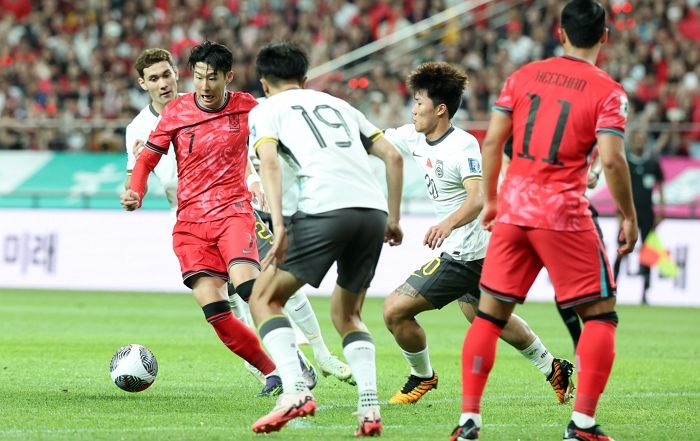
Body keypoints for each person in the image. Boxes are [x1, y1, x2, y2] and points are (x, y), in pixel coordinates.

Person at [452, 1, 638, 440]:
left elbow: (494, 141)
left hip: (514, 211)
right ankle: (583, 424)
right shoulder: (608, 91)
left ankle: (468, 421)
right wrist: (629, 215)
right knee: (599, 318)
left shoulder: (523, 77)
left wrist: (494, 200)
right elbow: (611, 160)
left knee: (489, 317)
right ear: (604, 37)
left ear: (560, 33)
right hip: (562, 215)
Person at [382, 62, 574, 406]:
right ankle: (552, 367)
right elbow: (375, 139)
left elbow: (479, 196)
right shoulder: (414, 137)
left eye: (419, 103)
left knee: (395, 310)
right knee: (483, 316)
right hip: (479, 249)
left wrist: (447, 224)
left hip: (466, 252)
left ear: (440, 109)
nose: (413, 110)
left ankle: (422, 377)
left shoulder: (463, 146)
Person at [247, 41, 404, 436]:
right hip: (371, 212)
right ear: (304, 79)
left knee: (264, 299)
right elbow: (393, 156)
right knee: (347, 314)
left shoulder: (266, 110)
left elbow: (268, 161)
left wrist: (279, 225)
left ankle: (296, 391)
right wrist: (394, 218)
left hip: (324, 210)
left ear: (264, 83)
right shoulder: (338, 104)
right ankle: (369, 407)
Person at [119, 41, 287, 398]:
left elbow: (273, 145)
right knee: (214, 307)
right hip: (191, 224)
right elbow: (146, 160)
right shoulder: (176, 113)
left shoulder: (248, 108)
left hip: (232, 213)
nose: (205, 86)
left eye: (212, 78)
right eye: (198, 78)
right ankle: (273, 373)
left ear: (228, 76)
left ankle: (294, 363)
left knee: (248, 287)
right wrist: (137, 191)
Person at [613, 127, 665, 305]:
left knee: (648, 251)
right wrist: (618, 211)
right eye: (637, 139)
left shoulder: (652, 163)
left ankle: (645, 292)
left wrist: (661, 209)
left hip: (647, 214)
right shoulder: (625, 161)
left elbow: (661, 184)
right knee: (621, 250)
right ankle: (613, 288)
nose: (639, 142)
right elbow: (616, 185)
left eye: (642, 139)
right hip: (628, 213)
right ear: (632, 141)